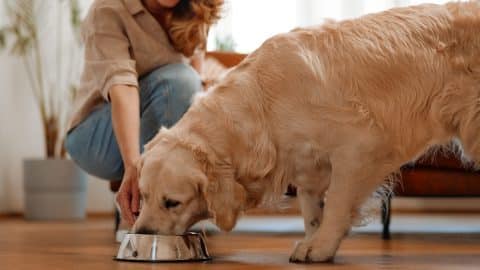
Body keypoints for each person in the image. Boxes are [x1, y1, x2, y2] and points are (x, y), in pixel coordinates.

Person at [65, 0, 223, 227]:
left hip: (151, 124)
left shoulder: (196, 9)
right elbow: (124, 90)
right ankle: (143, 211)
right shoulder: (108, 9)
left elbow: (194, 90)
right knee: (179, 81)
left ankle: (158, 215)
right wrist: (133, 166)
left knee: (187, 82)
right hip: (95, 137)